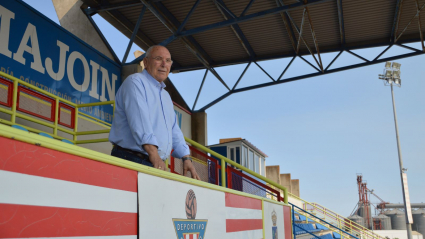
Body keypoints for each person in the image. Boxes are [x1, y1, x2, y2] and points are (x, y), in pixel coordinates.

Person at [109, 45, 200, 180]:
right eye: (158, 59)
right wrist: (154, 154)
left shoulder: (166, 96)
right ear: (146, 62)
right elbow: (140, 122)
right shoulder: (135, 82)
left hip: (152, 161)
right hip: (131, 159)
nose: (164, 64)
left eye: (168, 60)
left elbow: (174, 130)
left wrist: (186, 157)